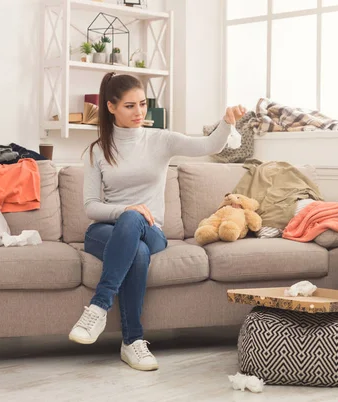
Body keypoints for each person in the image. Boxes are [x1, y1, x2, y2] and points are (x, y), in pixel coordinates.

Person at [68, 72, 246, 371]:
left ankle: (98, 307)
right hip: (106, 230)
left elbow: (209, 146)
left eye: (142, 104)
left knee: (135, 225)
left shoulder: (160, 139)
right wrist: (127, 208)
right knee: (134, 248)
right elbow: (91, 207)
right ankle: (132, 343)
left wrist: (226, 122)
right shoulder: (98, 150)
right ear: (111, 107)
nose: (139, 113)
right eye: (129, 106)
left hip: (151, 231)